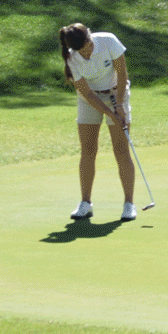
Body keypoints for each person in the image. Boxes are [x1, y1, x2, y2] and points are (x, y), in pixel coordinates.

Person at [59, 22, 138, 221]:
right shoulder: (72, 58)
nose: (87, 52)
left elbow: (122, 73)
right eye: (82, 50)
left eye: (88, 45)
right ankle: (85, 203)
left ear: (90, 36)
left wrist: (119, 105)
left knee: (121, 150)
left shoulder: (108, 41)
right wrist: (110, 114)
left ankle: (129, 204)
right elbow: (85, 92)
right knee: (88, 150)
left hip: (116, 92)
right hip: (89, 99)